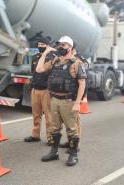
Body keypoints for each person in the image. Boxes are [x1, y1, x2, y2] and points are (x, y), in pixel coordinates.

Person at [36, 35, 87, 166]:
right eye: (59, 45)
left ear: (70, 47)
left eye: (64, 45)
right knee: (54, 128)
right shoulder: (55, 61)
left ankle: (73, 154)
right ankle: (54, 152)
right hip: (54, 100)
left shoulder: (77, 63)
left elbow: (82, 83)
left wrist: (77, 103)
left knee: (72, 129)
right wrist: (46, 52)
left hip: (68, 101)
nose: (60, 47)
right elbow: (39, 69)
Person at [24, 37, 52, 145]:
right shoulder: (35, 57)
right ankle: (35, 135)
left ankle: (51, 137)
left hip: (46, 91)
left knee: (49, 116)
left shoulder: (51, 58)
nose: (40, 46)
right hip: (35, 90)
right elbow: (33, 72)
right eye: (39, 44)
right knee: (36, 115)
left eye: (43, 44)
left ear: (47, 46)